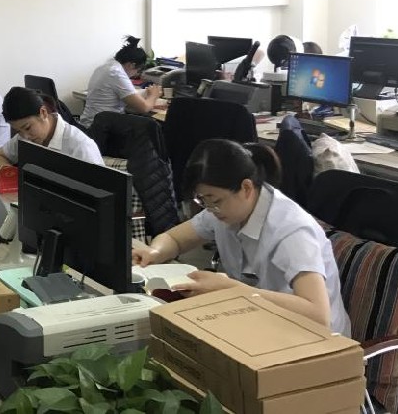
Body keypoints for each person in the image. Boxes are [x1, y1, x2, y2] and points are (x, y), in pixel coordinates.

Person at [132, 139, 349, 335]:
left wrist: (232, 290)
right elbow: (175, 239)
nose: (210, 209)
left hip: (313, 339)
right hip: (260, 321)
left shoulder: (291, 230)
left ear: (246, 188)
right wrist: (154, 252)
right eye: (203, 201)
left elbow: (318, 314)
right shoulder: (226, 210)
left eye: (215, 201)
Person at [0, 86, 103, 173]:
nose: (25, 136)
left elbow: (99, 191)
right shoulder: (25, 136)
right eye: (18, 131)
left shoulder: (81, 146)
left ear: (43, 113)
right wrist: (12, 174)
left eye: (27, 128)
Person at [79, 36, 160, 127]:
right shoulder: (116, 73)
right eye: (138, 70)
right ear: (131, 65)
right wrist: (154, 95)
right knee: (151, 126)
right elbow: (144, 108)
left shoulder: (105, 67)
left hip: (91, 124)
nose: (135, 74)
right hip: (100, 129)